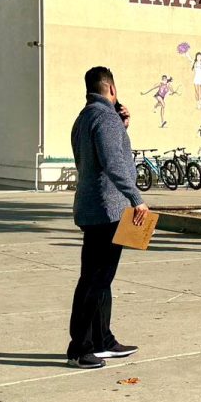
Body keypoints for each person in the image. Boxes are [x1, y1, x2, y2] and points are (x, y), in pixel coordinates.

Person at [66, 66, 148, 369]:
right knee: (95, 280)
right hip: (109, 210)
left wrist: (122, 126)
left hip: (90, 207)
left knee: (99, 279)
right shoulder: (106, 118)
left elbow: (92, 160)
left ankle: (103, 340)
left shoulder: (84, 118)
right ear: (111, 89)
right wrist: (136, 199)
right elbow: (115, 165)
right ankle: (80, 348)